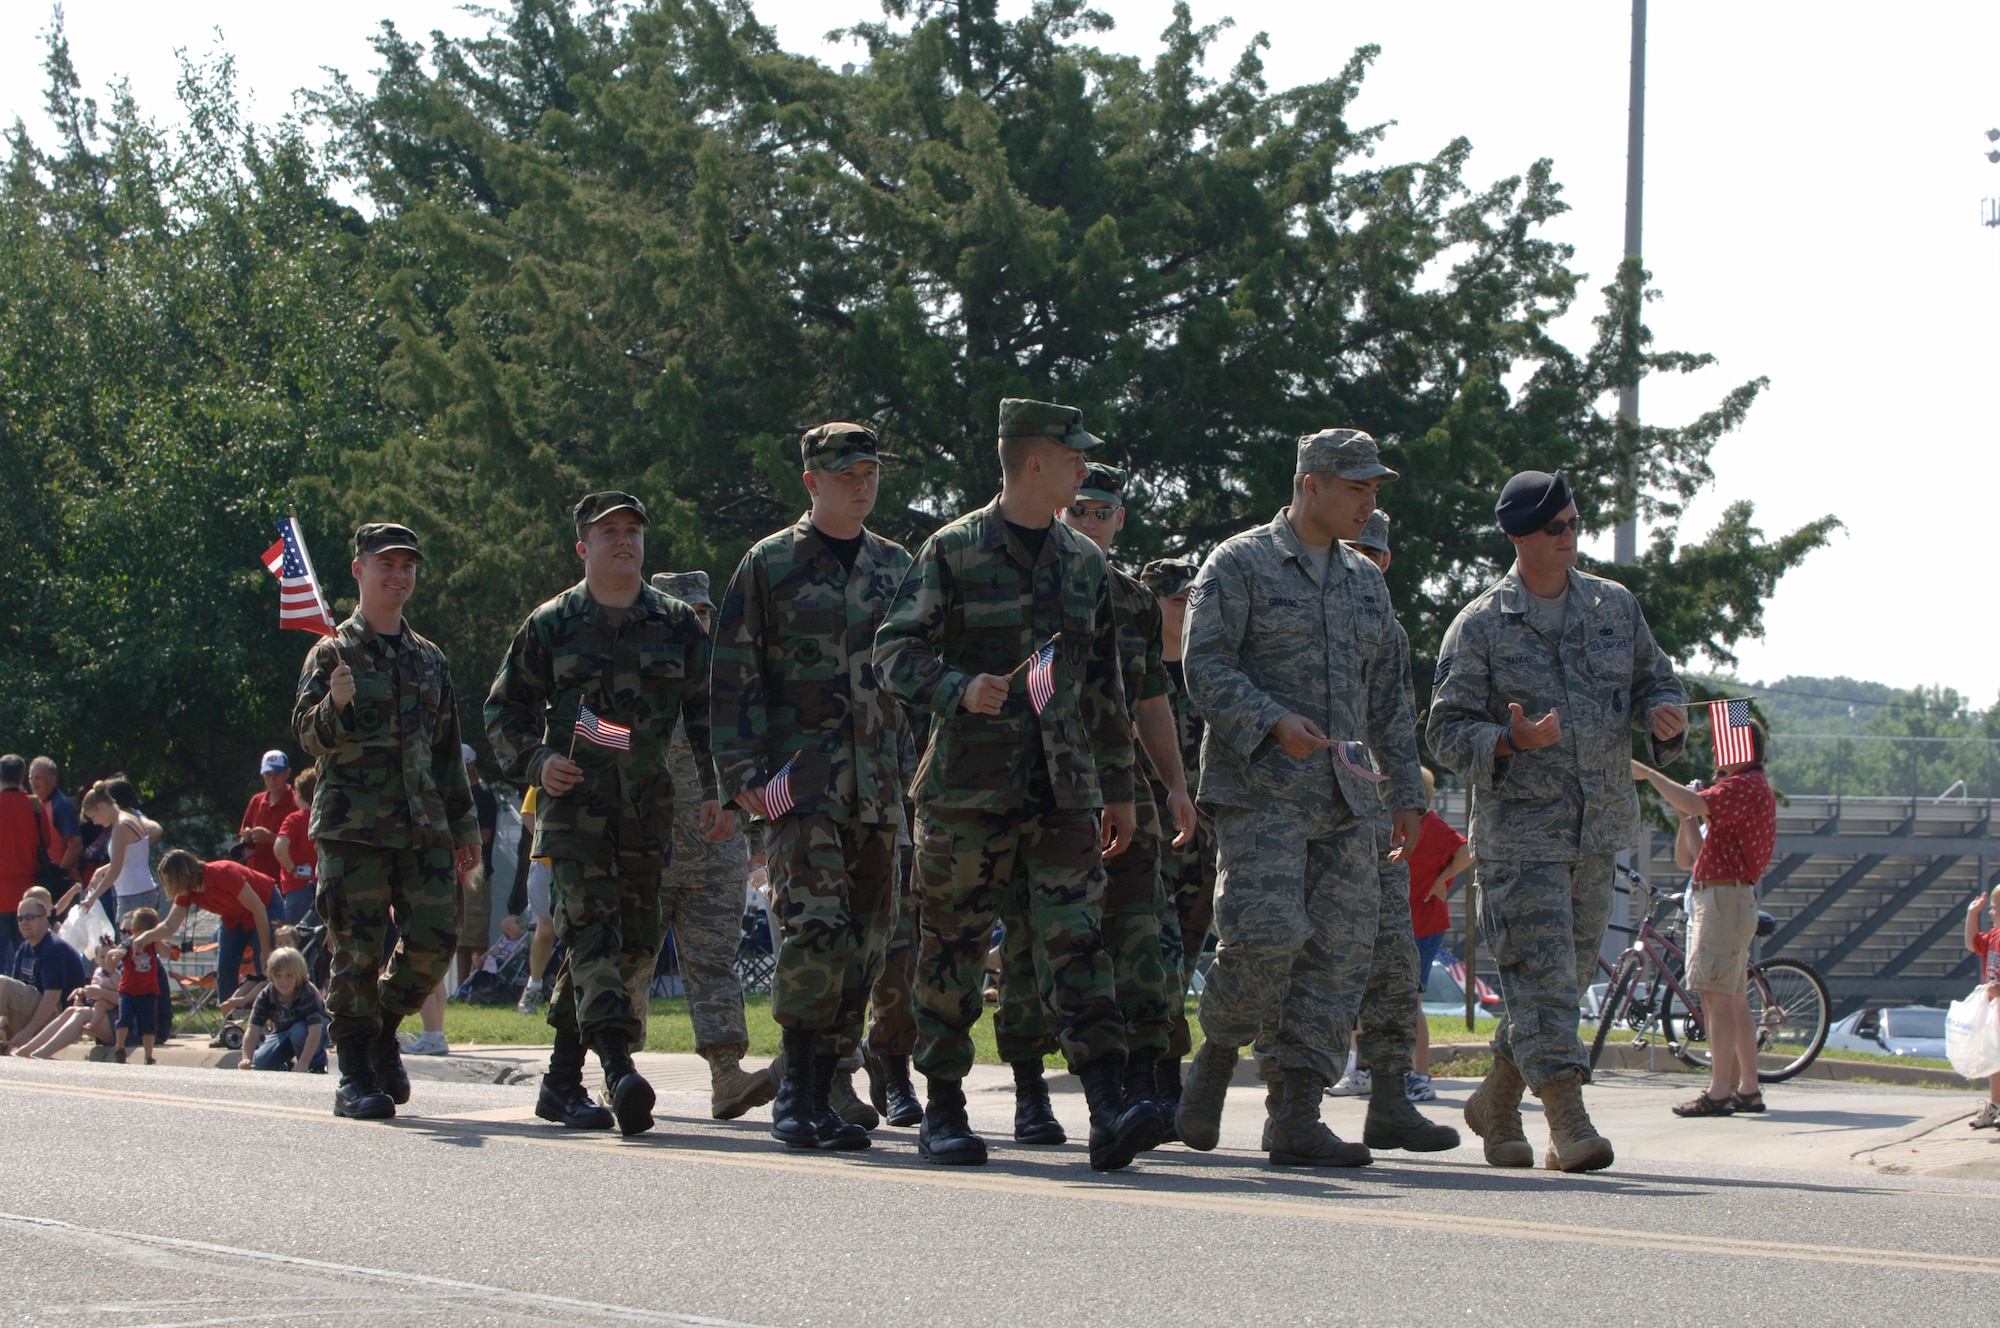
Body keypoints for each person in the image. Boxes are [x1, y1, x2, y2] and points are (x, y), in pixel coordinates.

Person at [875, 396, 1157, 1172]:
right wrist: (957, 687)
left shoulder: (1083, 560)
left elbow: (1104, 685)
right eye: (1073, 459)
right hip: (966, 791)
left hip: (1062, 790)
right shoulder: (955, 549)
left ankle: (1107, 1106)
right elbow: (894, 650)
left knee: (1077, 941)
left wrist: (1121, 790)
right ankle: (943, 1107)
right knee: (955, 947)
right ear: (1036, 463)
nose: (1083, 470)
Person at [1174, 429, 1427, 1168]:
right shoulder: (1240, 562)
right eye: (1356, 487)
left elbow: (1388, 697)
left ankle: (1295, 1113)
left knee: (1336, 955)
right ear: (1311, 484)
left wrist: (1405, 791)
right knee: (1265, 932)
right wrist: (1270, 720)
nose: (1367, 502)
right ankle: (1215, 1061)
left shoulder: (1364, 581)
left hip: (1349, 801)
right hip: (1261, 793)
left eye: (1374, 489)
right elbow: (1205, 664)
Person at [1428, 470, 1688, 1172]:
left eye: (1575, 523)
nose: (1572, 536)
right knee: (1542, 978)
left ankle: (1495, 1103)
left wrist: (1664, 718)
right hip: (1521, 841)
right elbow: (1445, 733)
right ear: (1520, 537)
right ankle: (1568, 1120)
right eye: (1557, 528)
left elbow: (1655, 681)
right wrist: (1510, 742)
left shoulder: (1614, 607)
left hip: (1599, 831)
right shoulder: (1481, 625)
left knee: (1559, 986)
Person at [486, 492, 729, 1137]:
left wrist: (719, 792)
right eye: (608, 532)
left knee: (631, 945)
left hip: (648, 815)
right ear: (583, 548)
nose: (623, 541)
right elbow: (502, 712)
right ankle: (620, 1068)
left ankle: (562, 1084)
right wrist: (538, 762)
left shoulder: (678, 624)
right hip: (575, 817)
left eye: (632, 531)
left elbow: (711, 716)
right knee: (591, 934)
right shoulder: (552, 623)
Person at [712, 423, 913, 1153]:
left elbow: (914, 677)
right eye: (845, 472)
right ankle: (794, 1094)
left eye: (870, 471)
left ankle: (829, 1083)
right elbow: (732, 680)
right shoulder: (768, 565)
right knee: (815, 933)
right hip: (802, 790)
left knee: (866, 945)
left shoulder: (897, 568)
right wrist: (746, 789)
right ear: (812, 481)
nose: (861, 484)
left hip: (882, 791)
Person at [992, 462, 1198, 1148]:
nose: (1088, 520)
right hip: (1042, 790)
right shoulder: (1031, 585)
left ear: (1120, 520)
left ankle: (1139, 1094)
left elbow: (1150, 699)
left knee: (1141, 938)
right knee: (1032, 942)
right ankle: (1029, 1093)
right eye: (1078, 508)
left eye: (1101, 510)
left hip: (1122, 795)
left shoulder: (1135, 601)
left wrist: (1173, 783)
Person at [291, 522, 481, 1121]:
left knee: (434, 942)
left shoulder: (430, 660)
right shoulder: (332, 652)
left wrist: (466, 827)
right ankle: (353, 1072)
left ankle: (381, 1030)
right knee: (358, 949)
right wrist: (336, 704)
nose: (398, 575)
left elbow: (448, 752)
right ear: (359, 570)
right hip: (354, 830)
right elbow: (306, 736)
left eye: (407, 566)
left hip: (424, 827)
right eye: (385, 564)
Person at [651, 570, 777, 1122]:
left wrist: (754, 844)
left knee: (715, 966)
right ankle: (611, 1069)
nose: (697, 624)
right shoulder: (635, 683)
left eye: (703, 614)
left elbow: (751, 770)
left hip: (715, 856)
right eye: (686, 614)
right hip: (645, 855)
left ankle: (726, 1075)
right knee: (624, 965)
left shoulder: (732, 688)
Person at [1635, 718, 1777, 1117]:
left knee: (1714, 998)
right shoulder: (1736, 795)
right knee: (1730, 998)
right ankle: (1747, 1088)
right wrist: (1687, 816)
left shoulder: (1744, 785)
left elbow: (1696, 804)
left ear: (1742, 752)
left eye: (1724, 746)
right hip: (1722, 897)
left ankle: (1719, 1091)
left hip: (1723, 900)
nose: (1717, 755)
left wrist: (1648, 773)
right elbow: (1689, 857)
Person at [1137, 555, 1218, 1128]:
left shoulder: (1210, 674)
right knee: (1158, 959)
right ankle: (1162, 1081)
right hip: (1144, 841)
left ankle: (1162, 1079)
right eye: (1175, 600)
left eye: (1194, 599)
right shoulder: (1133, 676)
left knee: (1184, 957)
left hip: (1203, 844)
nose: (1188, 610)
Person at [140, 851, 276, 1007]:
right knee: (225, 970)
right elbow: (169, 926)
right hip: (234, 917)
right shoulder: (186, 892)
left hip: (265, 905)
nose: (168, 887)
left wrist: (265, 949)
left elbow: (257, 908)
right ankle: (229, 1023)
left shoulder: (223, 873)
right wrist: (144, 937)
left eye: (169, 881)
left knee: (265, 968)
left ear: (181, 875)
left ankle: (268, 1019)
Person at [0, 753, 66, 976]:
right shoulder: (33, 805)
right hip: (28, 894)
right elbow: (45, 841)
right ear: (21, 778)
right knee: (28, 958)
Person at [0, 894, 87, 1053]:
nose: (24, 923)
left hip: (57, 1015)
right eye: (20, 918)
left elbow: (52, 997)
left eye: (30, 917)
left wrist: (28, 1032)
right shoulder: (24, 949)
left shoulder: (53, 948)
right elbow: (12, 993)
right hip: (33, 1010)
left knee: (1, 982)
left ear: (44, 918)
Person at [14, 937, 118, 1059]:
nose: (107, 960)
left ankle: (41, 1054)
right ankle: (26, 1051)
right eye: (102, 957)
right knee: (71, 1011)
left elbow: (124, 1000)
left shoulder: (120, 972)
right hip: (103, 1016)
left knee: (81, 1013)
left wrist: (101, 992)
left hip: (125, 1024)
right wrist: (83, 993)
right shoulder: (100, 972)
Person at [76, 784, 163, 927]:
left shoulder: (119, 828)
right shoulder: (130, 818)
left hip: (134, 895)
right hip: (140, 891)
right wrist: (101, 870)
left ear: (100, 807)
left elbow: (116, 870)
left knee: (127, 944)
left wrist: (92, 898)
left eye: (93, 816)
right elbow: (129, 858)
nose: (95, 822)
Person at [239, 947, 330, 1073]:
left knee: (298, 1031)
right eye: (278, 975)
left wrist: (304, 1061)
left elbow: (315, 1029)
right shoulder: (267, 995)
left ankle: (316, 1065)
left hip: (314, 1030)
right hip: (283, 1032)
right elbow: (253, 1029)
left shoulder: (307, 992)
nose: (283, 981)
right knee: (260, 1063)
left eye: (289, 975)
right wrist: (246, 1059)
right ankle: (286, 1065)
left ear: (299, 975)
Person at [513, 786, 557, 1014]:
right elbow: (527, 813)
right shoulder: (546, 766)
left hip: (581, 861)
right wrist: (548, 843)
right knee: (546, 929)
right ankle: (533, 988)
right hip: (545, 863)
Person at [456, 744, 497, 988]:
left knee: (477, 935)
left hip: (477, 872)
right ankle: (461, 987)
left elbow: (485, 835)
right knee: (460, 937)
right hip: (457, 871)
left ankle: (477, 985)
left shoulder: (483, 795)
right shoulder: (456, 796)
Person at [1964, 882, 2000, 1129]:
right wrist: (1971, 914)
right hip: (1993, 1009)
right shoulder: (1994, 937)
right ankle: (1995, 1106)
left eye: (1995, 908)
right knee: (1994, 1060)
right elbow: (1972, 943)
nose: (1991, 912)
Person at [239, 751, 299, 885]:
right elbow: (242, 843)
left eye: (276, 774)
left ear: (287, 773)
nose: (272, 779)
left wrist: (271, 838)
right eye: (268, 775)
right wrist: (246, 837)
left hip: (286, 881)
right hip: (256, 879)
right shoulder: (256, 801)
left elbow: (302, 845)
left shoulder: (296, 802)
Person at [115, 907, 164, 1064]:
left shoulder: (153, 945)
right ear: (133, 931)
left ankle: (148, 1056)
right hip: (128, 991)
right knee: (124, 1021)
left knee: (149, 1027)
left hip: (148, 991)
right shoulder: (128, 944)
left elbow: (167, 952)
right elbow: (120, 951)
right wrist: (115, 954)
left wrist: (156, 939)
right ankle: (119, 1047)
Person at [29, 757, 83, 894]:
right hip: (46, 880)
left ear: (52, 779)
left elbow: (76, 845)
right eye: (31, 778)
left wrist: (59, 875)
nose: (33, 783)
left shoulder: (61, 805)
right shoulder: (41, 804)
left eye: (38, 778)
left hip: (62, 885)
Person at [273, 768, 319, 925]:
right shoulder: (326, 819)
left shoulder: (295, 819)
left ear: (298, 794)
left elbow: (279, 848)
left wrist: (293, 868)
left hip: (299, 888)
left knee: (296, 941)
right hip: (326, 889)